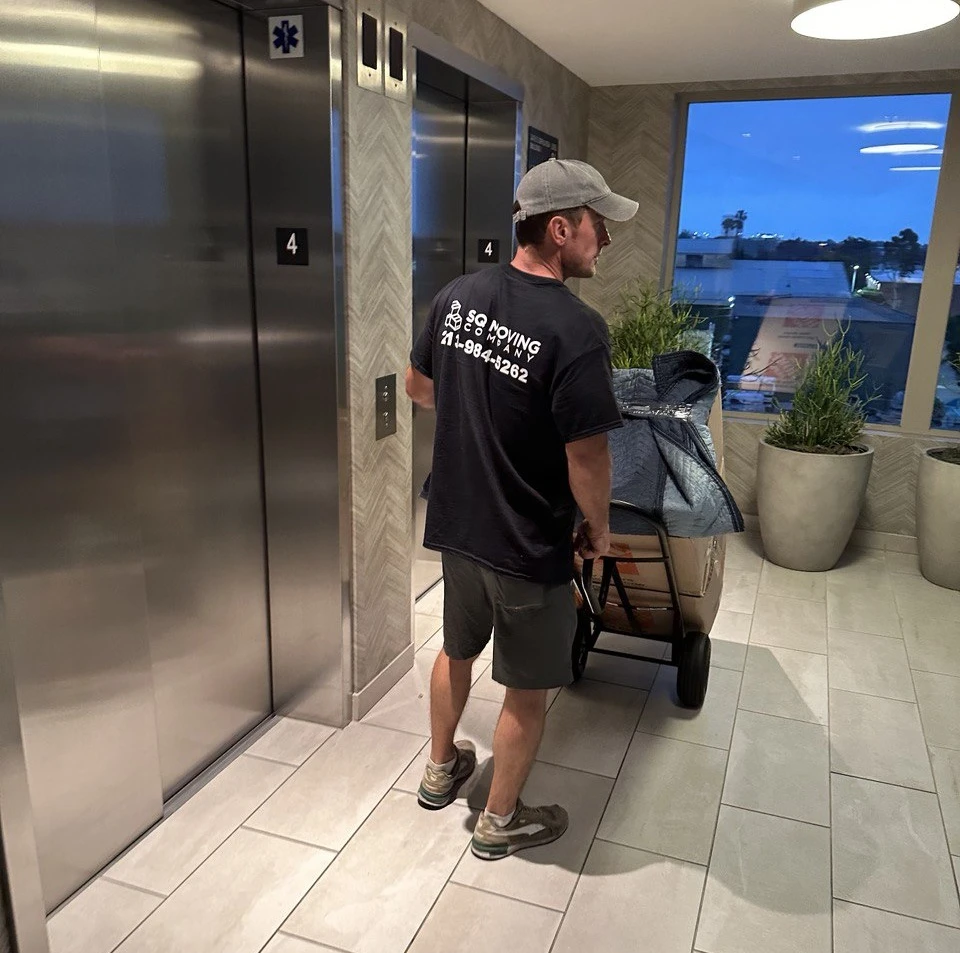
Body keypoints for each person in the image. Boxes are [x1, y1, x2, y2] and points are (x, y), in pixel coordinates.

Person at [405, 158, 639, 861]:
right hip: (527, 540)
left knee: (456, 649)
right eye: (599, 226)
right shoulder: (577, 328)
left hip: (457, 523)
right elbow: (588, 458)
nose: (606, 241)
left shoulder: (458, 295)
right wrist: (597, 528)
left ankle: (441, 769)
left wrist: (481, 414)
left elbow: (419, 387)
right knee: (528, 687)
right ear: (560, 227)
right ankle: (499, 819)